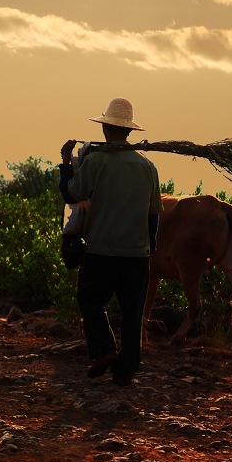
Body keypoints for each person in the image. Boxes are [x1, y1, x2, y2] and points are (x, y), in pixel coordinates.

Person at [59, 97, 163, 387]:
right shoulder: (147, 167)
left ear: (105, 128)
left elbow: (72, 194)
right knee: (132, 313)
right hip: (136, 254)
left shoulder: (95, 162)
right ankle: (125, 372)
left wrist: (66, 163)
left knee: (90, 299)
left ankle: (104, 350)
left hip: (101, 250)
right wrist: (149, 250)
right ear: (129, 132)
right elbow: (154, 215)